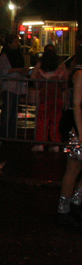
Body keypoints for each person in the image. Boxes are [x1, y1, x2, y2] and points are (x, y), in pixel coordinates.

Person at [56, 56, 82, 227]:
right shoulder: (80, 73)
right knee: (73, 168)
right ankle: (63, 209)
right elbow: (77, 104)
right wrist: (80, 133)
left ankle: (76, 202)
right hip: (77, 126)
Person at [30, 44, 64, 152]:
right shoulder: (60, 71)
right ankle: (55, 144)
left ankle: (40, 143)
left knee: (42, 121)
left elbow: (37, 84)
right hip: (57, 98)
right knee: (56, 121)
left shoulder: (41, 72)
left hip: (45, 98)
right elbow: (64, 85)